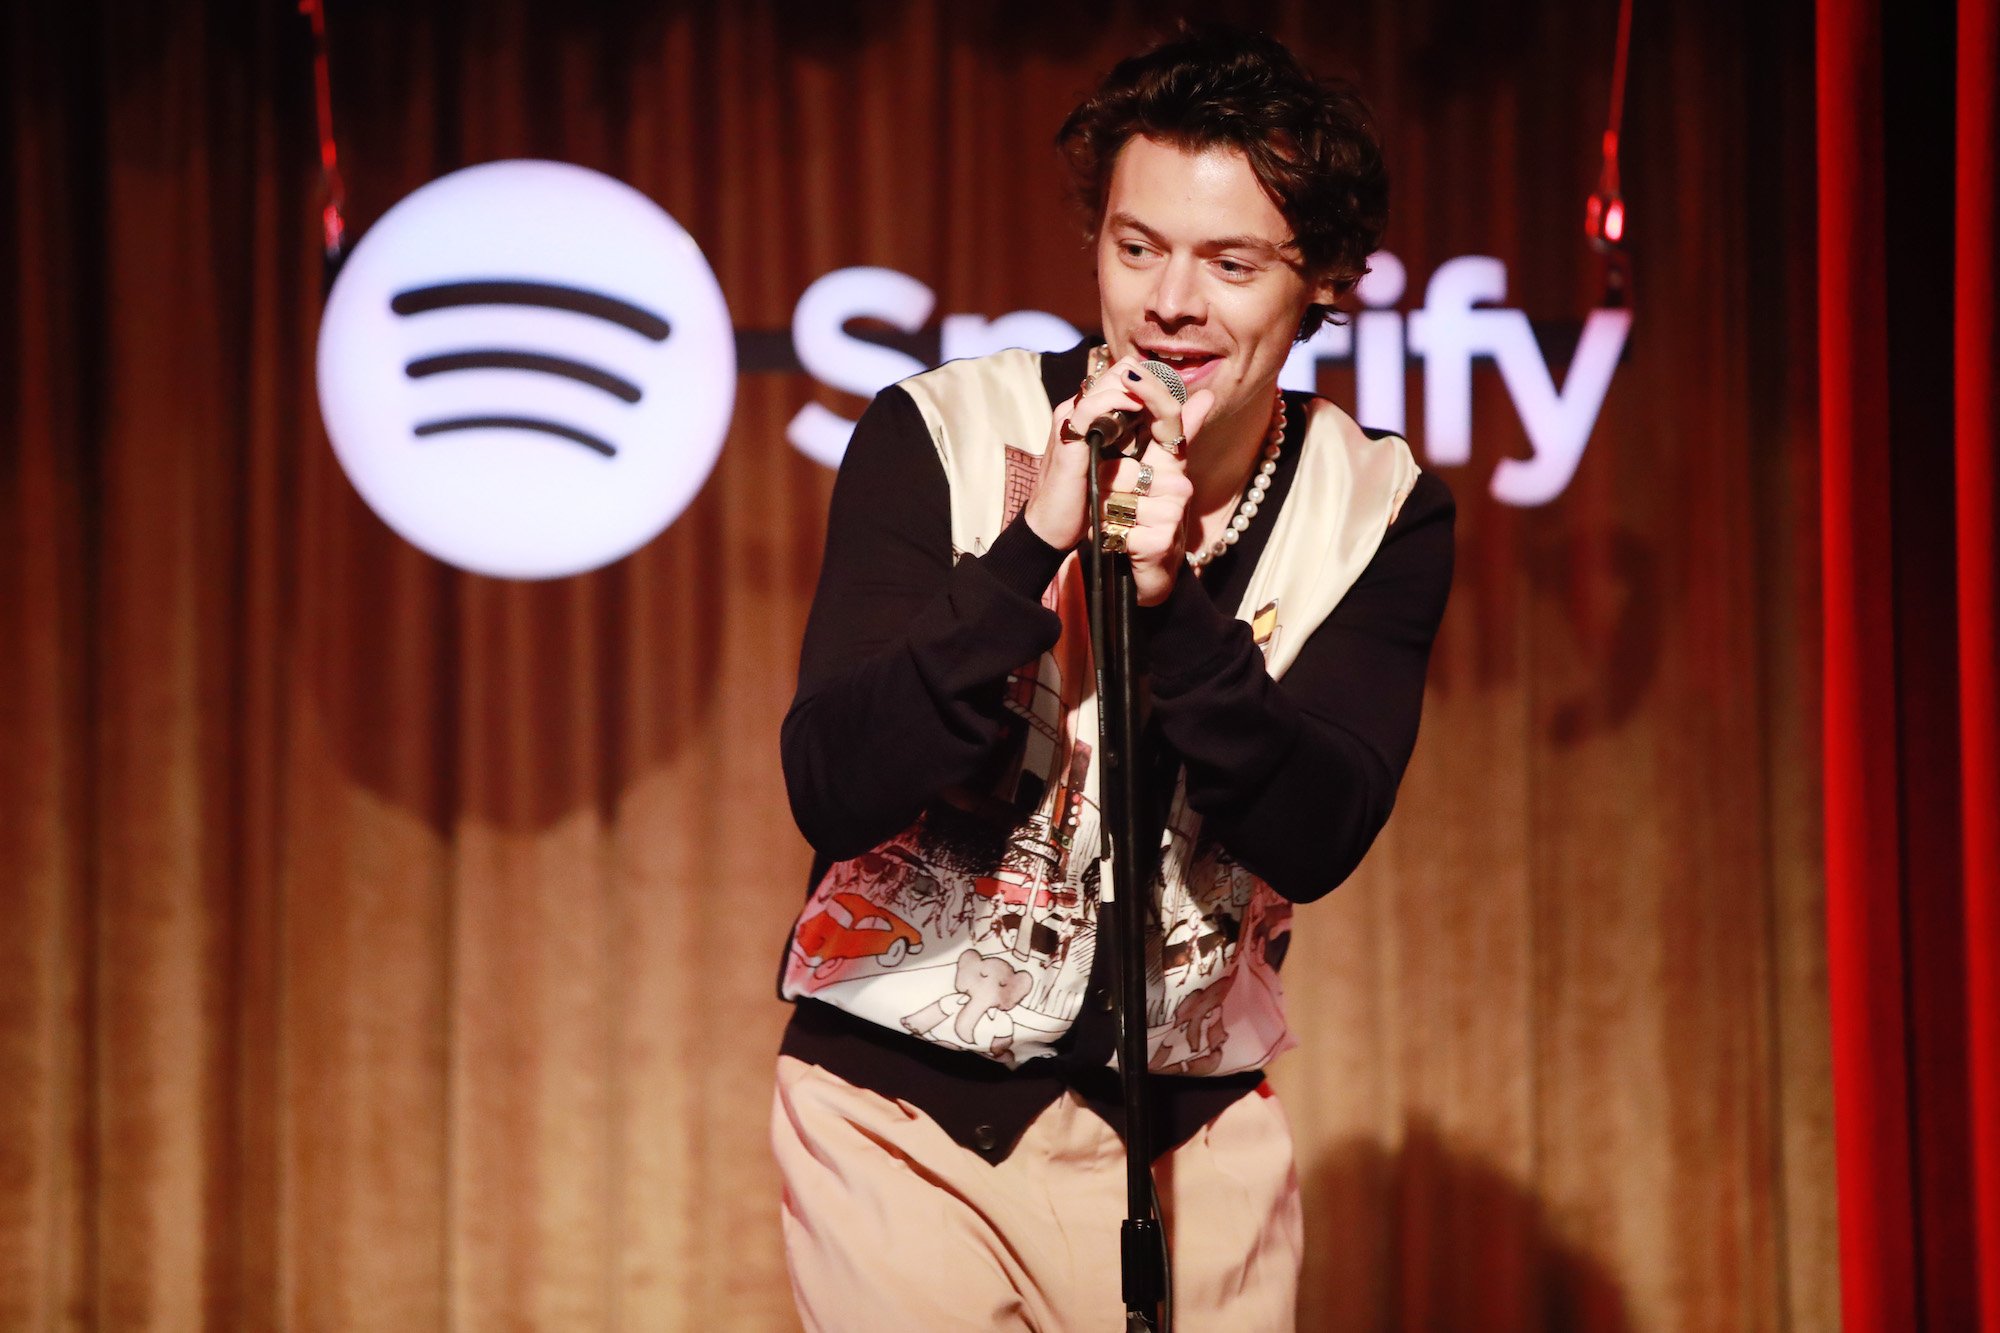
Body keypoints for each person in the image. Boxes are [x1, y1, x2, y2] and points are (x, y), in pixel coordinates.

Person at [770, 23, 1454, 1331]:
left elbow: (1319, 826)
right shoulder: (942, 432)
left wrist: (1173, 602)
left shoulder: (1377, 506)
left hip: (1194, 1141)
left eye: (1230, 262)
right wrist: (1032, 545)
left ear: (1323, 281)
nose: (1168, 302)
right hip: (902, 1120)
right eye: (1136, 247)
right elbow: (832, 782)